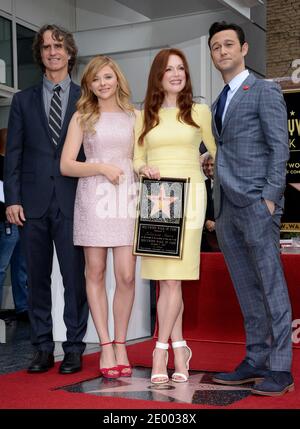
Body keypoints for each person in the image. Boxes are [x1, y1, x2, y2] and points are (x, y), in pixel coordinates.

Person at [208, 21, 294, 396]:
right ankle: (256, 359)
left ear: (244, 49)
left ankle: (280, 369)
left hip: (258, 205)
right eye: (215, 47)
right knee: (247, 289)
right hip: (227, 210)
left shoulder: (264, 90)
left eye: (228, 44)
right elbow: (230, 150)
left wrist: (270, 200)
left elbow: (280, 148)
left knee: (271, 287)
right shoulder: (218, 102)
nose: (222, 51)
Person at [4, 25, 89, 374]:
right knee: (35, 280)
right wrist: (12, 199)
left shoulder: (87, 98)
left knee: (74, 280)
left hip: (73, 202)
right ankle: (41, 347)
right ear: (40, 55)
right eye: (46, 47)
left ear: (70, 53)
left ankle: (73, 348)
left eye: (58, 46)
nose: (52, 52)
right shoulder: (22, 100)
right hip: (31, 205)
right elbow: (14, 153)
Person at [134, 48, 216, 384]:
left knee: (174, 279)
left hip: (192, 196)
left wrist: (207, 158)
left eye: (181, 68)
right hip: (157, 199)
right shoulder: (144, 116)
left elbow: (216, 147)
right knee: (168, 280)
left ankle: (160, 351)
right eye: (169, 69)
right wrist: (143, 167)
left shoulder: (200, 111)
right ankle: (180, 348)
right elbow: (135, 158)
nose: (177, 74)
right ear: (158, 75)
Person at [60, 56, 138, 378]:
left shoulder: (136, 116)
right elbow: (66, 165)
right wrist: (101, 167)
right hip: (95, 196)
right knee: (95, 272)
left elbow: (141, 155)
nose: (102, 83)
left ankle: (122, 341)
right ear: (89, 85)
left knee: (127, 276)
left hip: (127, 199)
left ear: (117, 79)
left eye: (108, 77)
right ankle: (106, 345)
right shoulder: (82, 117)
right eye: (96, 79)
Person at [0, 129, 28, 320]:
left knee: (20, 266)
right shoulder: (5, 165)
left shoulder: (15, 164)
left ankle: (23, 306)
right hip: (7, 223)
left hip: (17, 222)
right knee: (4, 267)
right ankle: (22, 306)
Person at [201, 154, 220, 252]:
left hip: (225, 235)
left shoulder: (227, 185)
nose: (209, 168)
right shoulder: (201, 185)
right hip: (206, 236)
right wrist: (205, 221)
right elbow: (196, 208)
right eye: (206, 165)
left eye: (212, 165)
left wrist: (218, 224)